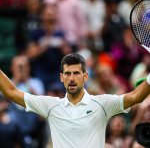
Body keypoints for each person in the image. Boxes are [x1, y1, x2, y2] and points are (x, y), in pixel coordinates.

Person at [0, 53, 150, 148]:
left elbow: (136, 96)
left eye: (77, 73)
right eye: (68, 73)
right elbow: (11, 92)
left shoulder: (103, 104)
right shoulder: (51, 106)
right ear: (61, 77)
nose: (72, 78)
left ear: (85, 76)